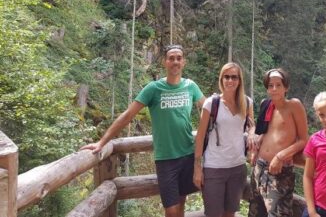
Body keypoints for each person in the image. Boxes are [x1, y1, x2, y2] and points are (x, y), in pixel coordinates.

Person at [80, 45, 205, 217]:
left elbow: (209, 109)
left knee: (181, 203)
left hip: (187, 154)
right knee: (171, 209)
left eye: (178, 58)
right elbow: (128, 115)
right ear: (165, 62)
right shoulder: (154, 88)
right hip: (166, 158)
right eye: (171, 58)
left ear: (183, 62)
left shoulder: (191, 86)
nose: (175, 61)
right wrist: (102, 142)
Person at [193, 62, 255, 217]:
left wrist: (253, 133)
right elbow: (200, 137)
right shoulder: (211, 104)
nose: (230, 80)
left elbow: (251, 126)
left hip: (237, 167)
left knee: (230, 213)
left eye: (234, 77)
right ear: (221, 79)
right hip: (214, 167)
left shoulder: (247, 103)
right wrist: (197, 168)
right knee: (213, 213)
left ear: (239, 80)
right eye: (226, 77)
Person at [248, 68, 308, 217]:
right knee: (256, 213)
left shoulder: (294, 106)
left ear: (286, 87)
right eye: (270, 85)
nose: (274, 89)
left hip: (279, 172)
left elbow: (303, 140)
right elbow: (262, 132)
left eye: (278, 85)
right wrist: (255, 150)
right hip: (259, 167)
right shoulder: (266, 104)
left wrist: (280, 156)